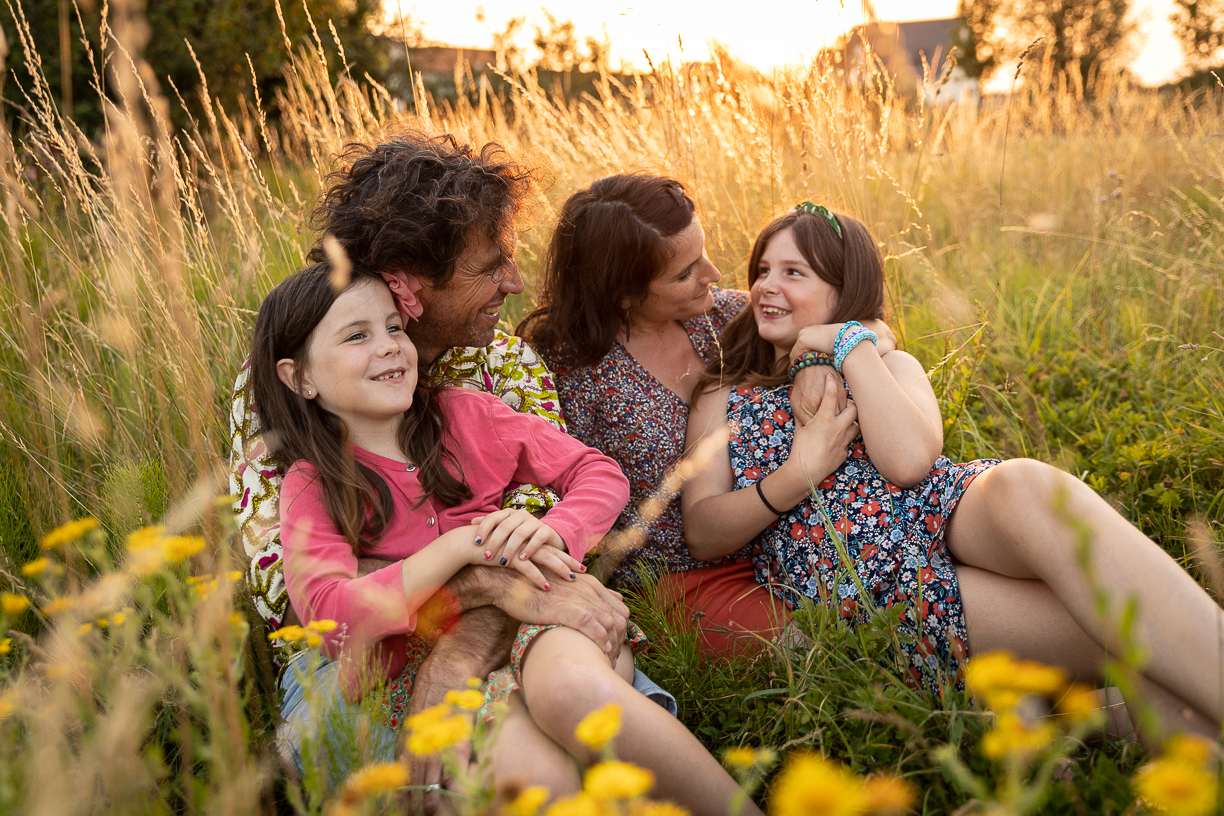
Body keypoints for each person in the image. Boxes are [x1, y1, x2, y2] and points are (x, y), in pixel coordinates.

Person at [227, 134, 669, 790]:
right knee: (479, 776)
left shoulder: (504, 367)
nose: (513, 285)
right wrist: (480, 580)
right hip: (360, 664)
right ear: (411, 281)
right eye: (490, 266)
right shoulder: (280, 395)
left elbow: (537, 547)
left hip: (515, 626)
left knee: (593, 725)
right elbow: (300, 605)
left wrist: (459, 652)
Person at [682, 202, 1224, 735]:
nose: (765, 286)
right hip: (878, 580)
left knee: (1025, 481)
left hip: (944, 513)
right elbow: (702, 532)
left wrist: (849, 346)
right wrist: (800, 469)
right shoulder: (724, 394)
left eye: (792, 272)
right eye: (762, 271)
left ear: (843, 291)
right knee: (1125, 636)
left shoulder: (886, 362)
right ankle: (1076, 719)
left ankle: (1061, 717)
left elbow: (912, 463)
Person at [248, 261, 758, 815]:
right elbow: (333, 613)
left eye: (394, 327)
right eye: (357, 335)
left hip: (533, 620)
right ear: (299, 377)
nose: (390, 346)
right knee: (534, 782)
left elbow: (598, 474)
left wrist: (553, 530)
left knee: (573, 692)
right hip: (413, 666)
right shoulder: (311, 484)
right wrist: (459, 546)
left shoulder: (464, 415)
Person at [518, 175, 894, 656]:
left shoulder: (724, 316)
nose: (713, 273)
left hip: (784, 540)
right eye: (684, 272)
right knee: (824, 654)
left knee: (893, 610)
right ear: (622, 294)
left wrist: (813, 358)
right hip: (678, 576)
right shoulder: (568, 374)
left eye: (704, 252)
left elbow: (871, 325)